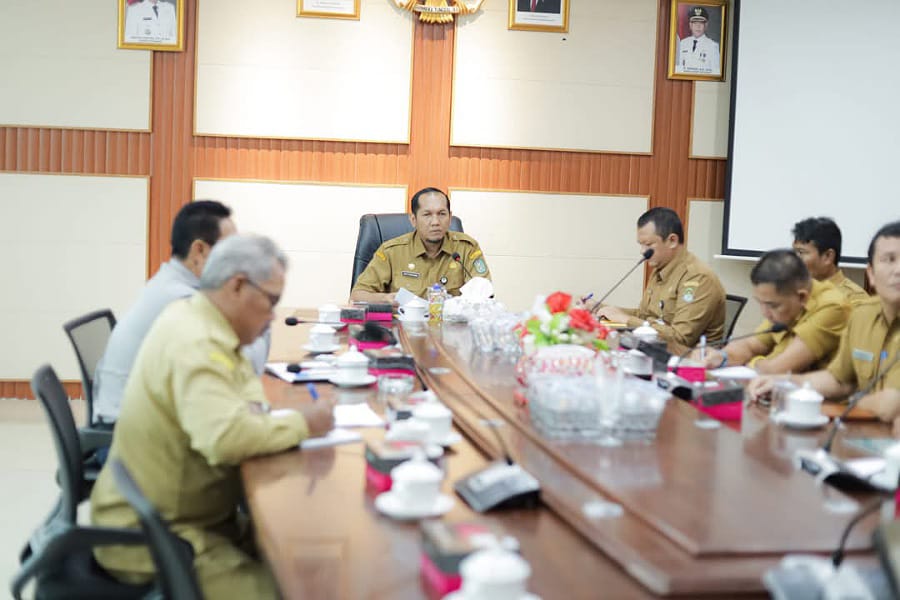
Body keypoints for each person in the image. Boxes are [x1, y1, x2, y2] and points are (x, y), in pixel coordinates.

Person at [90, 235, 335, 599]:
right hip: (159, 536)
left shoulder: (202, 320)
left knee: (311, 562)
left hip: (194, 516)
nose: (271, 317)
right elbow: (225, 438)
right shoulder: (197, 341)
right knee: (294, 590)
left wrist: (271, 421)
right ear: (237, 285)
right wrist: (303, 423)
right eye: (271, 301)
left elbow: (247, 403)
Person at [93, 200, 269, 427]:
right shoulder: (180, 299)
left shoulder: (172, 283)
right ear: (200, 250)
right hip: (129, 438)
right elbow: (246, 366)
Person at [749, 222, 900, 431]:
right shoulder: (863, 316)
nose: (898, 270)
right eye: (889, 260)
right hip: (862, 432)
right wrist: (784, 383)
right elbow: (839, 381)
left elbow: (890, 406)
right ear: (871, 274)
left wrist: (853, 400)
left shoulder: (839, 303)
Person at [597, 207, 726, 354]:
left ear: (672, 241)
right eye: (640, 244)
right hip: (654, 353)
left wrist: (625, 319)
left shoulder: (698, 278)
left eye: (648, 244)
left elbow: (680, 338)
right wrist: (604, 309)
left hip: (689, 364)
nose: (642, 251)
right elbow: (644, 316)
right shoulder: (661, 269)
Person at [700, 249, 849, 374]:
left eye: (773, 306)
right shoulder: (782, 310)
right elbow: (750, 345)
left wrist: (751, 363)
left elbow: (780, 369)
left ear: (802, 296)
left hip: (827, 404)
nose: (765, 313)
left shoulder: (832, 307)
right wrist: (722, 356)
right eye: (761, 304)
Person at [350, 187, 491, 304]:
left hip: (451, 330)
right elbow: (357, 296)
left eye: (442, 214)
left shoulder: (467, 248)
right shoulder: (392, 251)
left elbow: (485, 295)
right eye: (427, 214)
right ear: (413, 220)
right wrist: (386, 298)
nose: (435, 222)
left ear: (450, 218)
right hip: (403, 329)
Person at [792, 217, 869, 305]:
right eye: (794, 252)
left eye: (801, 252)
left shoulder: (854, 299)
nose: (794, 259)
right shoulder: (794, 291)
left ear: (828, 256)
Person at [675, 6, 721, 76]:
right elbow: (678, 68)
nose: (698, 26)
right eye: (695, 23)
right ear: (690, 25)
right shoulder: (683, 43)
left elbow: (715, 72)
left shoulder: (713, 46)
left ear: (706, 25)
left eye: (701, 23)